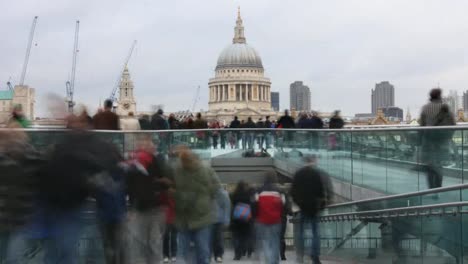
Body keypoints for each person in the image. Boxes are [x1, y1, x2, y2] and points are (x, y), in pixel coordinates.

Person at [125, 135, 172, 263]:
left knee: (149, 242)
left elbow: (166, 181)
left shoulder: (155, 161)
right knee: (148, 242)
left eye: (149, 144)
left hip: (153, 208)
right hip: (146, 207)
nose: (148, 146)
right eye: (144, 144)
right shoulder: (136, 163)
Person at [0, 129, 43, 263]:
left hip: (17, 218)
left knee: (12, 256)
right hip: (21, 217)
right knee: (13, 256)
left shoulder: (32, 161)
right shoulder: (34, 161)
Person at [173, 146, 220, 264]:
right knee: (196, 251)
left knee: (196, 251)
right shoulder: (178, 170)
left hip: (198, 216)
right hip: (188, 216)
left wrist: (204, 196)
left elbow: (215, 187)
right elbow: (216, 187)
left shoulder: (204, 170)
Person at [290, 155, 333, 264]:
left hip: (301, 207)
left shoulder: (298, 174)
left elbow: (293, 191)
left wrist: (297, 202)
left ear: (304, 161)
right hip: (315, 207)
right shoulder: (320, 173)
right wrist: (324, 203)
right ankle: (314, 255)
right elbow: (323, 190)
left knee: (300, 231)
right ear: (314, 161)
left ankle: (300, 255)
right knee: (316, 231)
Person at [419, 88, 456, 188]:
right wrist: (448, 137)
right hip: (442, 141)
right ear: (440, 96)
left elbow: (421, 125)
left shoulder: (425, 108)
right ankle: (438, 188)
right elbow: (453, 124)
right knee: (439, 166)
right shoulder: (446, 107)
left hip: (428, 141)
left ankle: (431, 189)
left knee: (430, 166)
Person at [253, 171, 285, 264]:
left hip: (262, 219)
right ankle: (274, 261)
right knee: (275, 241)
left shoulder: (259, 191)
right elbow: (284, 205)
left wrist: (255, 217)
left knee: (265, 241)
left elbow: (255, 205)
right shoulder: (280, 191)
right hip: (276, 220)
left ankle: (268, 260)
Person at [230, 181, 254, 261]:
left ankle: (237, 254)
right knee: (244, 236)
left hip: (236, 218)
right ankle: (243, 250)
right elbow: (251, 205)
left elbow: (232, 204)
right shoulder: (248, 195)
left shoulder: (234, 195)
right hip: (246, 218)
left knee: (236, 236)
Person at [212, 186, 231, 263]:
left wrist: (226, 220)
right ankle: (218, 255)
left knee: (217, 238)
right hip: (215, 218)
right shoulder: (223, 193)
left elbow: (226, 207)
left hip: (217, 219)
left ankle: (218, 255)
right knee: (217, 238)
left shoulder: (222, 194)